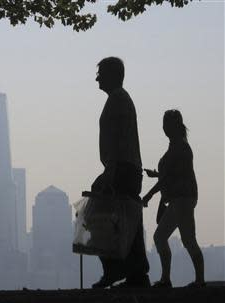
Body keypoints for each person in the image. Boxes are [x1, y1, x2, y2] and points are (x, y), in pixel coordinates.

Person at [90, 57, 150, 288]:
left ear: (112, 75)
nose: (97, 78)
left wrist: (109, 174)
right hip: (126, 167)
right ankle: (137, 275)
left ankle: (113, 269)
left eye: (100, 73)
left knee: (99, 214)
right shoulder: (121, 99)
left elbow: (117, 140)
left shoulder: (117, 100)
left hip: (121, 168)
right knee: (129, 221)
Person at [142, 110, 205, 288]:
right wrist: (156, 174)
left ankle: (199, 280)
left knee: (188, 240)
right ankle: (166, 279)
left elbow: (168, 178)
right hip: (179, 199)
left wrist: (148, 195)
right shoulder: (176, 146)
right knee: (160, 237)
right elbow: (170, 174)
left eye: (166, 124)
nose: (164, 128)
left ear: (174, 126)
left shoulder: (180, 147)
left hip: (182, 198)